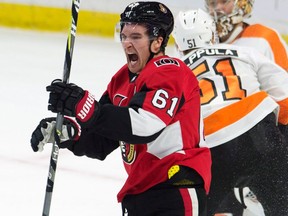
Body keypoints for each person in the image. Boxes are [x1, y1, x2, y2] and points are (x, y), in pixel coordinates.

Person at [30, 2, 212, 216]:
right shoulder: (121, 81)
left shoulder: (171, 71)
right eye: (124, 36)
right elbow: (100, 140)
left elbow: (144, 124)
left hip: (176, 188)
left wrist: (84, 106)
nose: (127, 43)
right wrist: (68, 134)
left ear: (157, 42)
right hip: (140, 191)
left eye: (136, 37)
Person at [172, 8, 288, 216]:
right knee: (281, 204)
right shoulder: (244, 52)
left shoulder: (173, 73)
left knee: (201, 209)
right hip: (259, 132)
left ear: (178, 44)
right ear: (213, 35)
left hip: (214, 148)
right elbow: (285, 100)